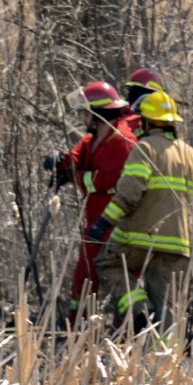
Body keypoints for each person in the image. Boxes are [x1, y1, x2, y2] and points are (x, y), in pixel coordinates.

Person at [90, 90, 193, 328]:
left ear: (148, 121)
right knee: (166, 304)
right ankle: (166, 348)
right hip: (179, 242)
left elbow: (129, 194)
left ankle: (140, 312)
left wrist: (104, 223)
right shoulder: (189, 153)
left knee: (107, 264)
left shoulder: (145, 148)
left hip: (141, 236)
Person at [45, 82, 141, 319]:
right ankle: (78, 327)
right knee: (84, 278)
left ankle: (129, 328)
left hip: (116, 224)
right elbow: (77, 156)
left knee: (121, 279)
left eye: (86, 113)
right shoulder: (92, 140)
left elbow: (102, 179)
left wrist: (74, 177)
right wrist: (60, 160)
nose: (83, 118)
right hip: (95, 224)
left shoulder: (123, 142)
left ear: (98, 114)